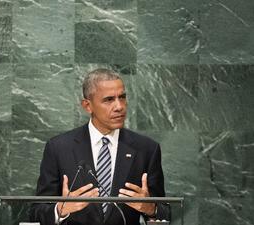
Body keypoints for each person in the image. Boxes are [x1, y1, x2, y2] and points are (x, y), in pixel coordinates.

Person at [30, 68, 171, 225]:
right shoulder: (59, 148)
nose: (119, 106)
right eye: (109, 99)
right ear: (87, 106)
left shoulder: (146, 149)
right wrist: (60, 210)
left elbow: (165, 212)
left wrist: (151, 209)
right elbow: (37, 212)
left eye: (122, 97)